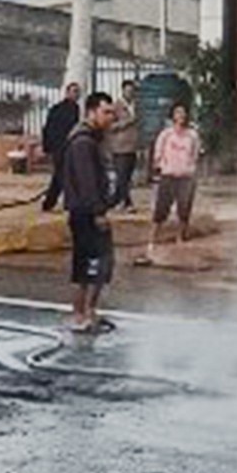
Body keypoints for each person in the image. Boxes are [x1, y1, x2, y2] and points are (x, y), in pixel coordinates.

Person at [60, 92, 118, 334]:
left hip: (91, 210)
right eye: (106, 112)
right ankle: (80, 314)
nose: (110, 117)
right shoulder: (83, 142)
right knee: (86, 265)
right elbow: (86, 182)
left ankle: (90, 311)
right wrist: (97, 212)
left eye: (112, 113)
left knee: (102, 263)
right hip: (85, 213)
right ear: (92, 112)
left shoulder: (95, 139)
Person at [143, 101, 202, 260]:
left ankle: (180, 238)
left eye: (183, 113)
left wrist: (190, 169)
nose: (180, 116)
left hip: (186, 176)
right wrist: (161, 167)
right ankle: (152, 240)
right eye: (177, 113)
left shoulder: (192, 135)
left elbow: (195, 154)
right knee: (161, 209)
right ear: (173, 115)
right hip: (168, 175)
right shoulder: (166, 134)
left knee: (184, 209)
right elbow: (157, 153)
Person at [36, 80, 83, 213]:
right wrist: (47, 147)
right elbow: (48, 128)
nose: (76, 94)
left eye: (78, 92)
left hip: (69, 146)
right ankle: (65, 202)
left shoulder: (75, 108)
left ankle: (50, 203)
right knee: (63, 175)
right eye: (74, 91)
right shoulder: (58, 109)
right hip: (59, 147)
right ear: (67, 92)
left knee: (61, 176)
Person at [105, 82, 143, 212]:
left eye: (132, 91)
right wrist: (126, 123)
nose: (130, 94)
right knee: (121, 175)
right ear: (122, 91)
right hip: (119, 146)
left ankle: (112, 200)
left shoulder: (136, 106)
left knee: (126, 177)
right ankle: (127, 203)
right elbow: (110, 126)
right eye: (128, 91)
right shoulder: (116, 107)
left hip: (132, 146)